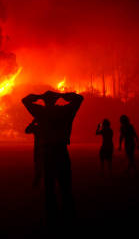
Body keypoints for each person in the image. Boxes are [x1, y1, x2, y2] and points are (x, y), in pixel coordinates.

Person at [22, 90, 83, 225]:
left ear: (45, 100)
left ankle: (52, 217)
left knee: (49, 187)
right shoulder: (66, 112)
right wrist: (62, 95)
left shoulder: (40, 113)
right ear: (55, 100)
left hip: (48, 152)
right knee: (66, 186)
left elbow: (25, 100)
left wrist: (39, 96)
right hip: (61, 151)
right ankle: (69, 216)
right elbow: (79, 98)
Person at [25, 119, 43, 187]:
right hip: (46, 148)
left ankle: (37, 183)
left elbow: (27, 130)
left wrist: (32, 123)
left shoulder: (37, 128)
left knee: (38, 166)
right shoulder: (48, 126)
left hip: (38, 149)